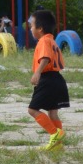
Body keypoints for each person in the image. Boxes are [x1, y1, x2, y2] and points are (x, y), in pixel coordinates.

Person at [28, 9, 69, 151]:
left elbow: (45, 58)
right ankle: (57, 144)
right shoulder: (52, 40)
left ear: (40, 29)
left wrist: (37, 73)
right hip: (57, 79)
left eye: (32, 26)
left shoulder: (44, 40)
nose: (31, 29)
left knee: (32, 110)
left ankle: (54, 133)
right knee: (53, 113)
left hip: (47, 79)